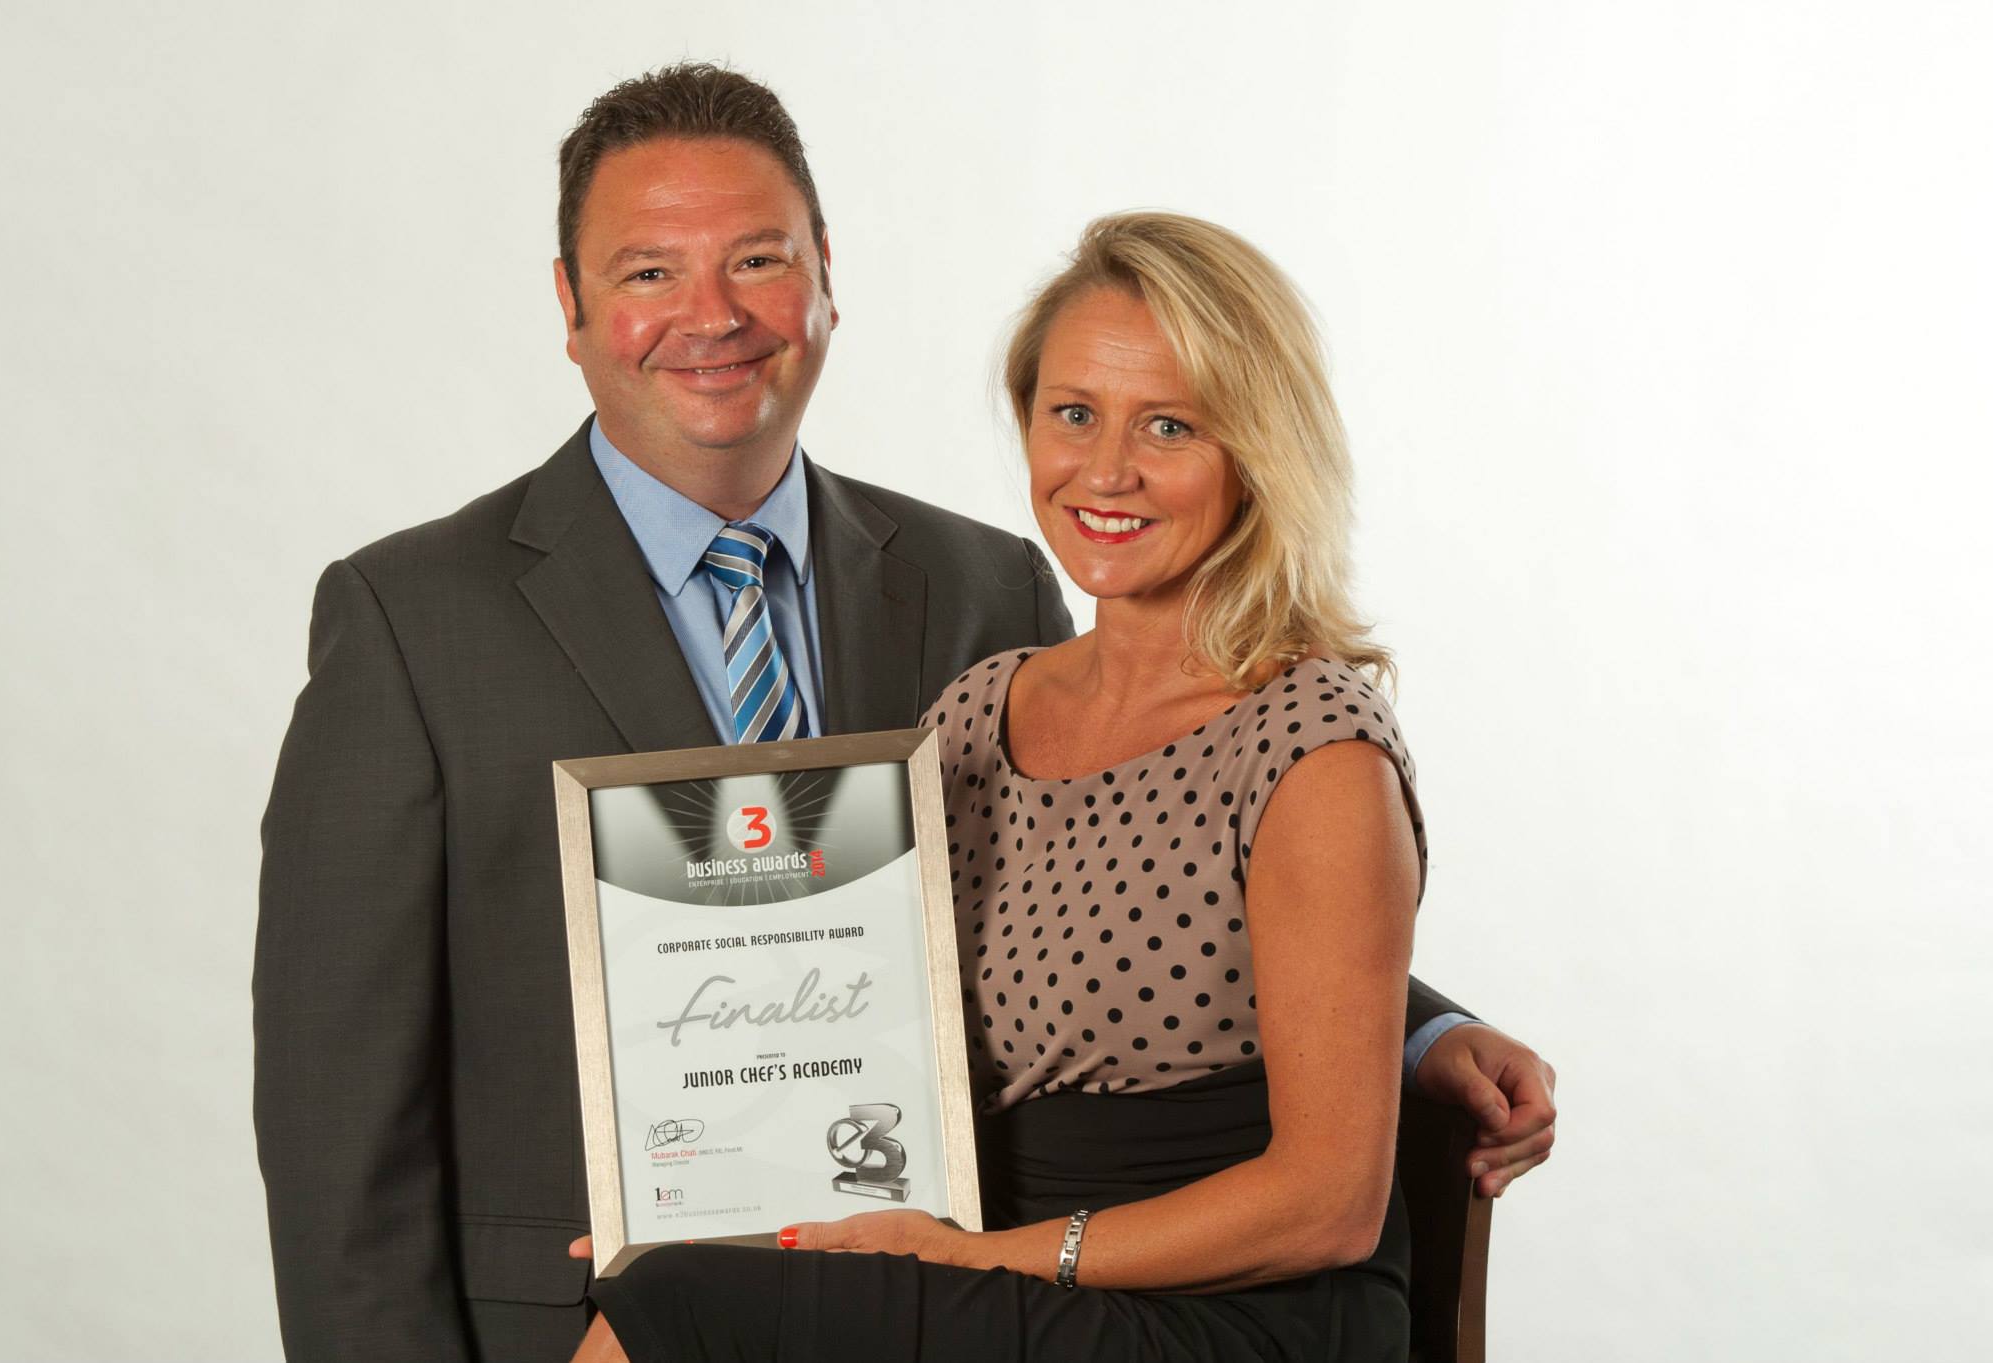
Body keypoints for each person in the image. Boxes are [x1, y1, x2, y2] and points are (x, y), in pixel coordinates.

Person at [255, 65, 1555, 1363]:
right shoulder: (410, 621)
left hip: (938, 1297)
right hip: (581, 1320)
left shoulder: (980, 586)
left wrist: (1419, 1032)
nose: (711, 315)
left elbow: (1132, 867)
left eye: (757, 261)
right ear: (571, 304)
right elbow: (334, 1099)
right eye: (651, 270)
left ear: (825, 275)